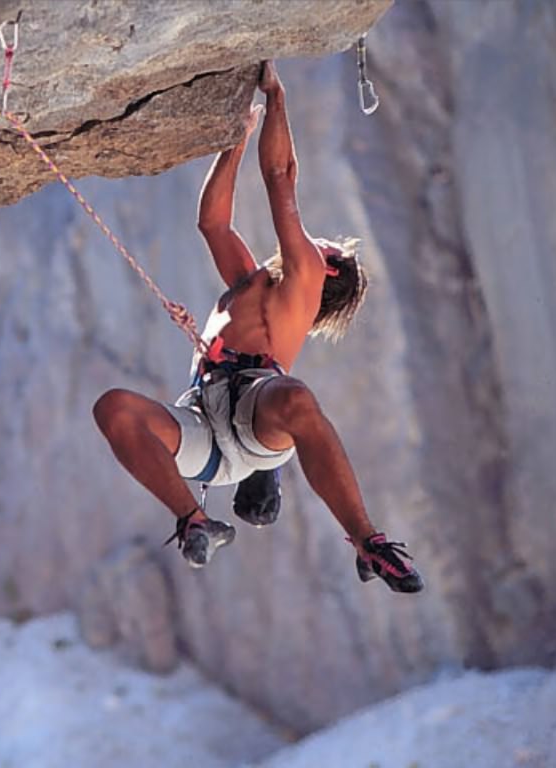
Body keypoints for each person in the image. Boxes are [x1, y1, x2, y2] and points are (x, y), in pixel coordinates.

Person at [92, 61, 422, 593]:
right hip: (206, 423)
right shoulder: (249, 283)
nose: (318, 242)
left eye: (328, 248)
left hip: (254, 413)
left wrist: (279, 99)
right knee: (114, 408)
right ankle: (196, 521)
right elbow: (213, 224)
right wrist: (236, 139)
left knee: (295, 399)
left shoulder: (305, 280)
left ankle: (368, 541)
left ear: (328, 269)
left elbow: (280, 179)